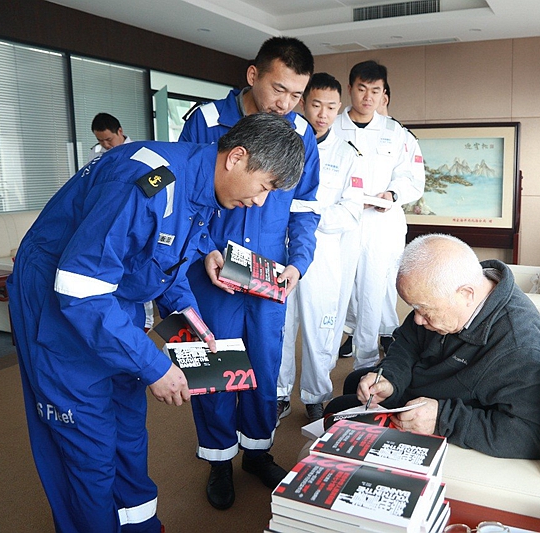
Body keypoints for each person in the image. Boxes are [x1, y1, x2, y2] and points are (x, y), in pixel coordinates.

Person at [7, 113, 305, 533]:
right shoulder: (146, 183)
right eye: (264, 187)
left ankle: (140, 526)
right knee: (88, 447)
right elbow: (79, 287)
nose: (260, 202)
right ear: (237, 157)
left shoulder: (199, 186)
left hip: (113, 300)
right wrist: (155, 366)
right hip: (58, 306)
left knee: (129, 432)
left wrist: (191, 320)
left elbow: (162, 264)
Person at [178, 37, 320, 510]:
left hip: (267, 272)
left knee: (262, 363)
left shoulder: (300, 132)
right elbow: (185, 196)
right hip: (211, 268)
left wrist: (298, 263)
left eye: (296, 94)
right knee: (215, 366)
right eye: (279, 89)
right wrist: (203, 249)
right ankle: (219, 459)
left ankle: (258, 452)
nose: (286, 103)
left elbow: (305, 208)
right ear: (253, 75)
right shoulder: (206, 121)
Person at [327, 234, 540, 459]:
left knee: (335, 411)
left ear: (466, 294)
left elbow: (531, 435)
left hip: (441, 409)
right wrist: (390, 379)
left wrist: (442, 419)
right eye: (414, 308)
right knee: (355, 381)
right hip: (425, 387)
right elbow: (407, 343)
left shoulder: (517, 345)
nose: (417, 320)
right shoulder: (455, 285)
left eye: (425, 311)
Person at [277, 73, 363, 422]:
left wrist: (309, 214)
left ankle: (316, 395)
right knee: (279, 326)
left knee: (320, 329)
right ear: (302, 103)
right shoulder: (281, 142)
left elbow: (351, 209)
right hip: (278, 248)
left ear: (339, 108)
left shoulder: (347, 154)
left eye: (330, 107)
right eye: (315, 105)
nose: (322, 114)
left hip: (322, 252)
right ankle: (279, 393)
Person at [332, 60, 425, 371]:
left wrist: (392, 194)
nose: (367, 97)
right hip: (341, 224)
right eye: (361, 89)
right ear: (349, 89)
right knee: (335, 294)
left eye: (375, 90)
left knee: (374, 294)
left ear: (384, 93)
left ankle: (367, 365)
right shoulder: (332, 127)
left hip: (380, 225)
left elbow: (413, 177)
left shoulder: (396, 133)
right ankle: (324, 364)